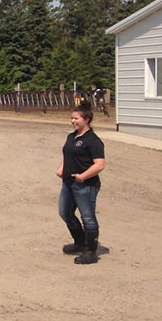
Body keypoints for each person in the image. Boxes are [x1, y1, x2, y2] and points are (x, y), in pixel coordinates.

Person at [57, 100, 105, 265]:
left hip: (86, 185)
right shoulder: (72, 136)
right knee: (65, 213)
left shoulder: (93, 140)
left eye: (76, 118)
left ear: (87, 120)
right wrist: (62, 168)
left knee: (88, 218)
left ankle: (91, 251)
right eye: (72, 118)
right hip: (68, 182)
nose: (73, 121)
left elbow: (100, 164)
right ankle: (80, 242)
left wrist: (83, 176)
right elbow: (68, 154)